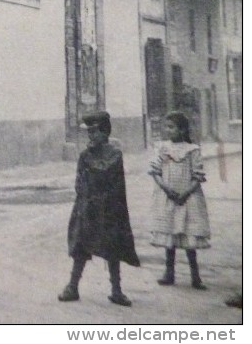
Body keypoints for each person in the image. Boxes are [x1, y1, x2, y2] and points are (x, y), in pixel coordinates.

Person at [58, 110, 140, 307]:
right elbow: (79, 182)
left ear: (105, 133)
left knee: (112, 248)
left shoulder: (114, 155)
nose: (91, 136)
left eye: (95, 132)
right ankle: (72, 286)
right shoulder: (85, 156)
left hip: (109, 209)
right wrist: (84, 199)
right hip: (87, 207)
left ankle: (116, 290)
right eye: (89, 133)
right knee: (80, 246)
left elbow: (107, 175)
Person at [149, 111, 211, 290]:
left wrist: (186, 193)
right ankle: (169, 273)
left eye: (172, 127)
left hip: (188, 198)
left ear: (183, 130)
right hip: (168, 197)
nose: (168, 130)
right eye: (166, 127)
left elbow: (197, 175)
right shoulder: (162, 148)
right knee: (170, 236)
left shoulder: (192, 150)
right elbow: (156, 171)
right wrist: (166, 189)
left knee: (188, 237)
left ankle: (195, 276)